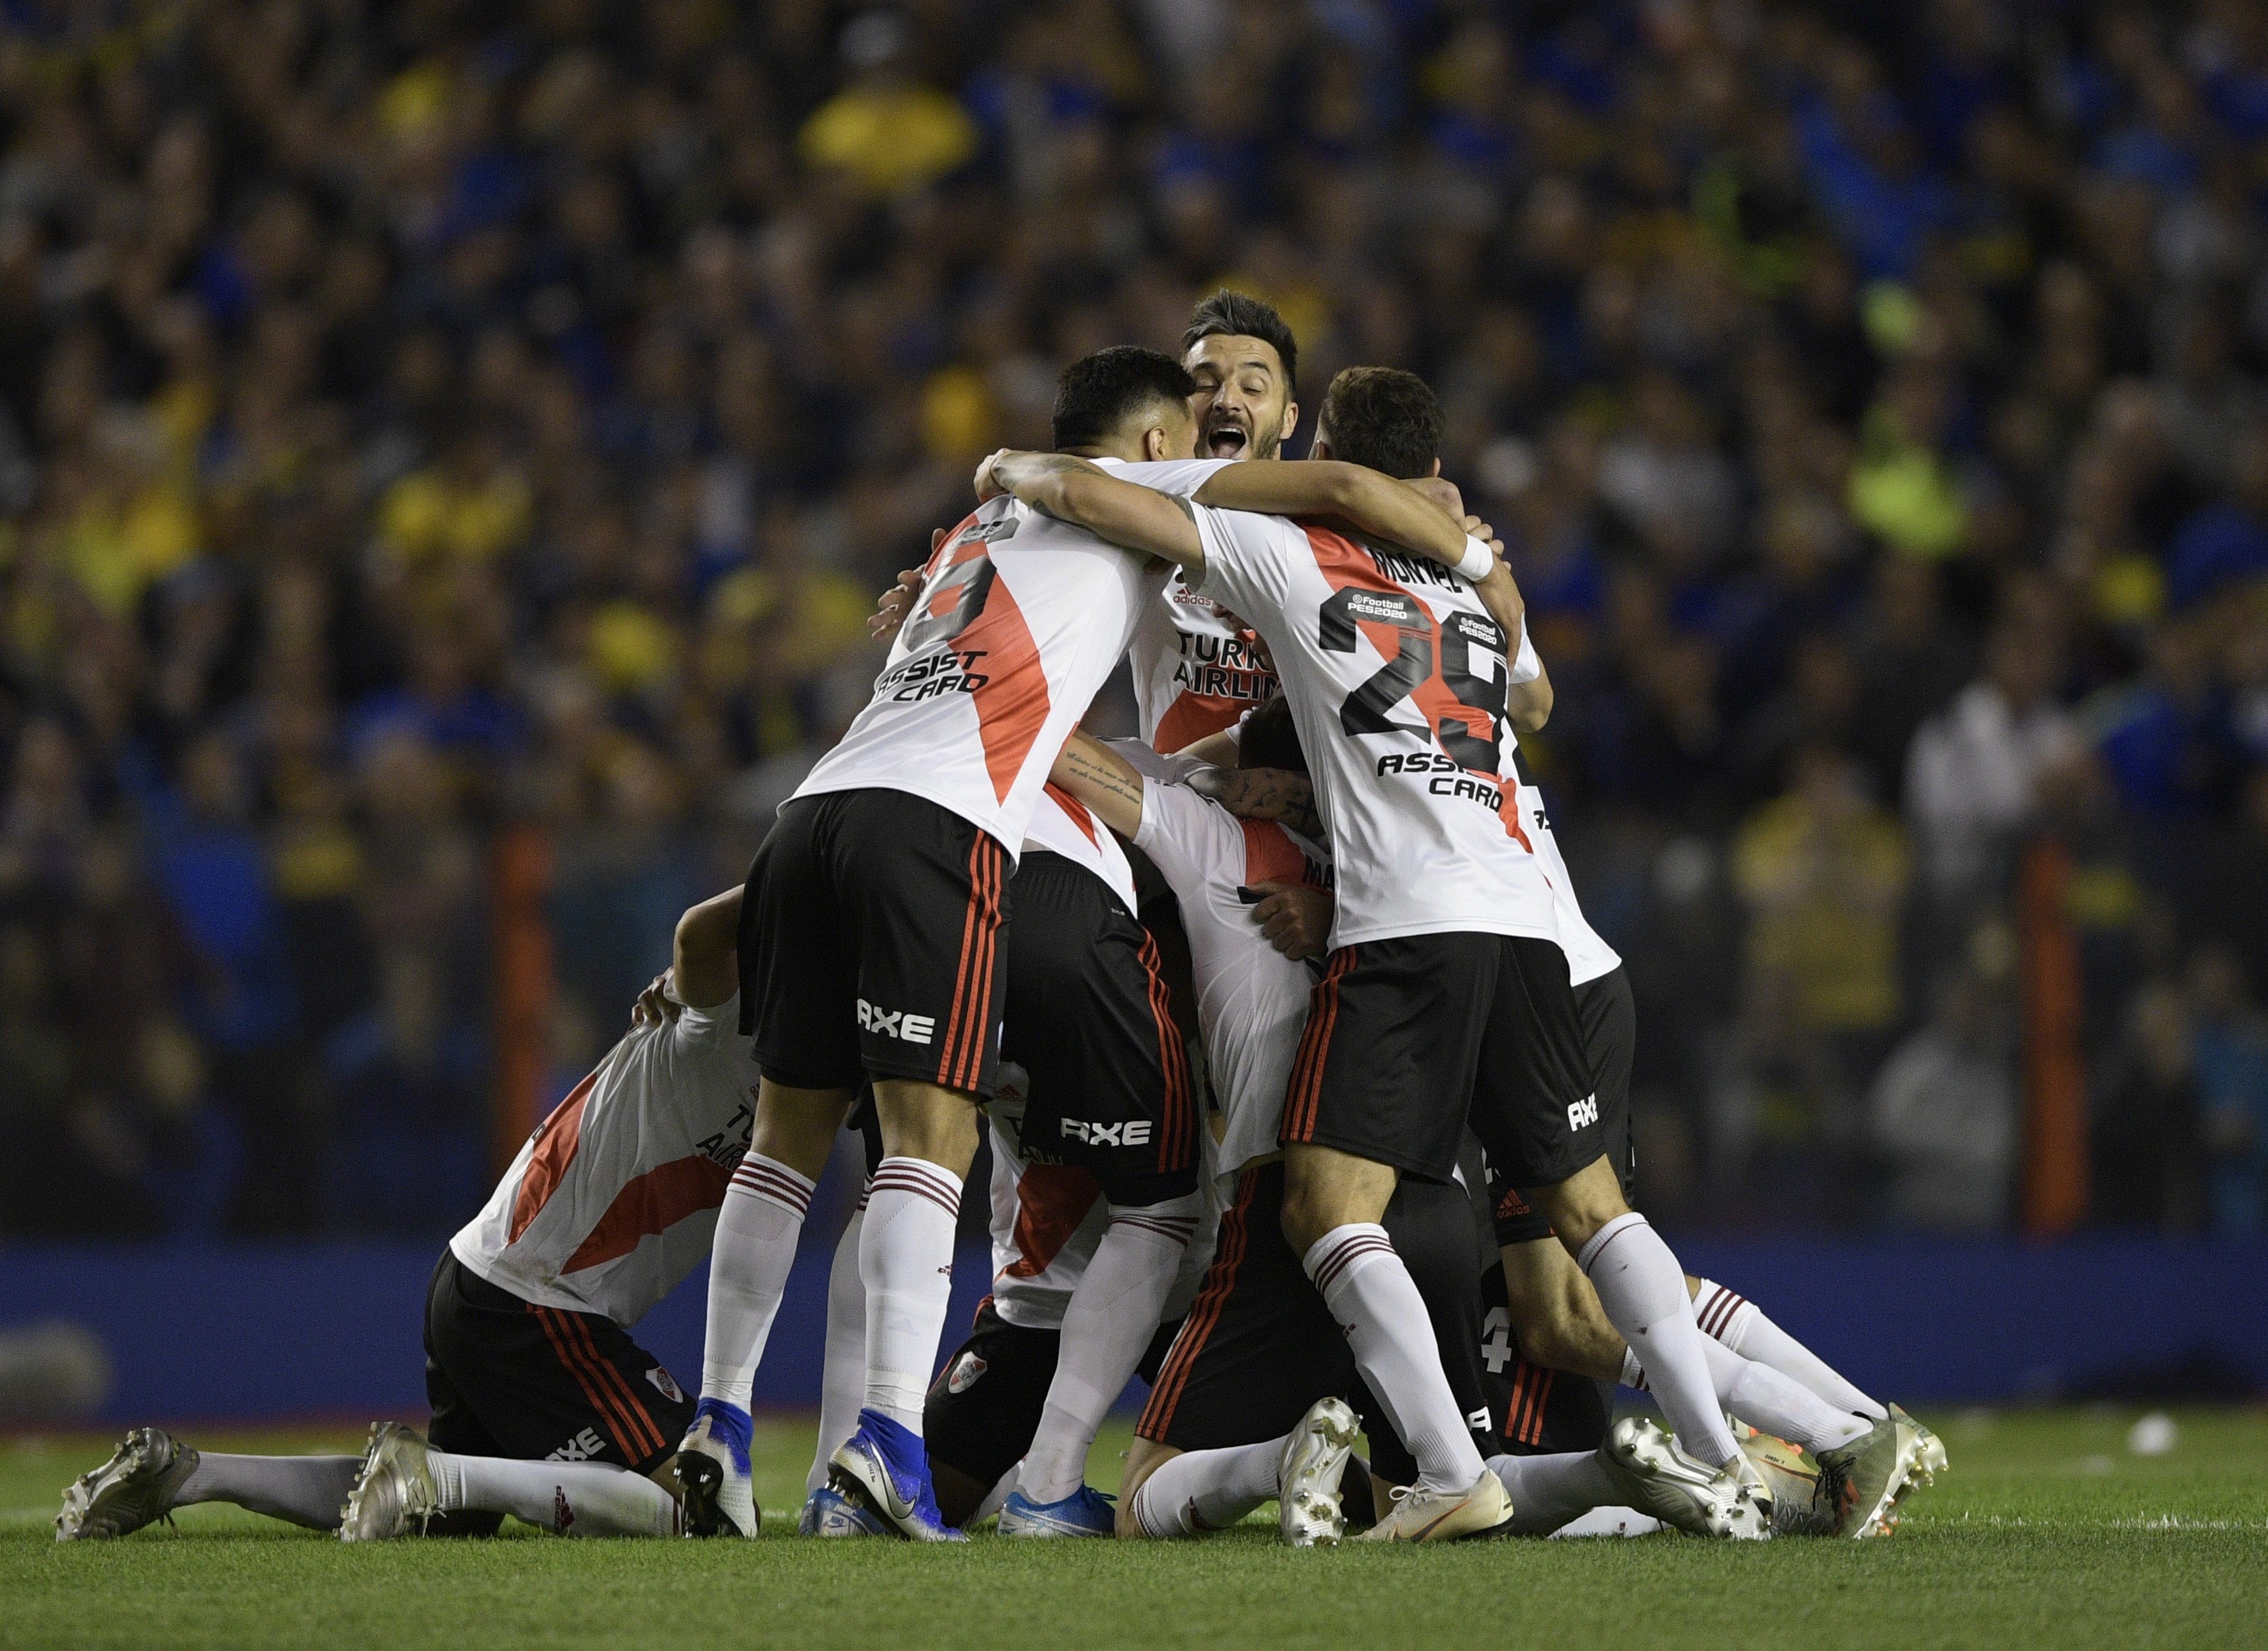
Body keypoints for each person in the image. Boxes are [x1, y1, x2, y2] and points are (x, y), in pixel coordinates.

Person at [683, 343, 1498, 1544]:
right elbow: (1326, 496)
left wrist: (995, 474)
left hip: (811, 814)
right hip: (945, 822)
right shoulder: (1134, 494)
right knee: (933, 1144)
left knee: (785, 1144)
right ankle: (895, 1453)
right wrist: (1464, 548)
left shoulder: (974, 532)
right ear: (1161, 444)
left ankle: (722, 1427)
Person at [980, 364, 1775, 1539]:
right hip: (1526, 919)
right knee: (1596, 1212)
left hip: (1405, 922)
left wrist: (1018, 472)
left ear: (1327, 466)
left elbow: (1110, 509)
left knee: (1322, 1205)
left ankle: (1455, 1478)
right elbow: (1533, 701)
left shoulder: (1287, 556)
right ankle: (1727, 1461)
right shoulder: (1469, 589)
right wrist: (1476, 558)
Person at [1044, 706, 1752, 1544]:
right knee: (1426, 1491)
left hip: (1293, 1200)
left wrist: (987, 683)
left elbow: (1085, 767)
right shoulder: (1384, 870)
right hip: (1436, 1204)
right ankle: (1616, 1471)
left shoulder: (1212, 837)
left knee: (1144, 1495)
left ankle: (1280, 1459)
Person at [56, 892, 755, 1543]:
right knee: (701, 1507)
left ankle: (189, 1472)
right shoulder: (727, 1019)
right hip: (538, 1299)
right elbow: (698, 934)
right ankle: (430, 1475)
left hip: (484, 1281)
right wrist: (801, 876)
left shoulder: (790, 1060)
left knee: (448, 1519)